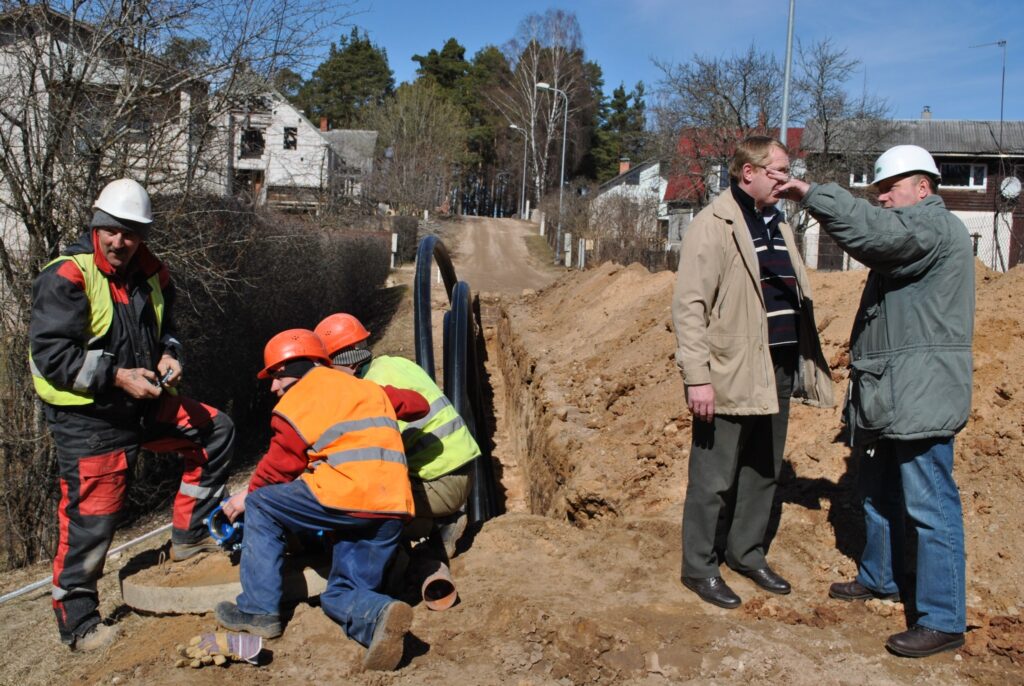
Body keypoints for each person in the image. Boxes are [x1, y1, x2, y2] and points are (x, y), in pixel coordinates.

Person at [771, 144, 974, 658]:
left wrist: (814, 194)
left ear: (923, 188)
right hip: (892, 391)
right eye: (878, 189)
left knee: (931, 504)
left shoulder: (931, 227)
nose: (882, 197)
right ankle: (880, 577)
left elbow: (873, 236)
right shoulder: (911, 233)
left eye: (890, 188)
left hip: (921, 391)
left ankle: (944, 618)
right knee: (877, 491)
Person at [29, 178, 235, 651]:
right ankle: (78, 622)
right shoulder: (68, 275)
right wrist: (118, 376)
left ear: (143, 235)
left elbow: (171, 332)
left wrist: (170, 354)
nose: (120, 241)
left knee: (215, 430)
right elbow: (53, 358)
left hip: (142, 401)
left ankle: (190, 534)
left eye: (131, 232)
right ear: (95, 225)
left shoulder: (154, 275)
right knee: (93, 517)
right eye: (112, 230)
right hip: (90, 418)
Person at [672, 136, 834, 609]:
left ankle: (746, 552)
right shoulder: (714, 224)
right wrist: (697, 376)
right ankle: (699, 566)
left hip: (776, 366)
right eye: (780, 171)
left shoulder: (778, 223)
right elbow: (689, 306)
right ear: (749, 173)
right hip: (727, 371)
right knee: (714, 475)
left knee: (763, 468)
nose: (786, 179)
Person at [215, 329, 428, 671]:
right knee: (340, 591)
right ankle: (378, 614)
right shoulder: (368, 388)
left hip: (345, 497)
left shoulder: (296, 403)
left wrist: (245, 497)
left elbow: (277, 469)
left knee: (262, 504)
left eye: (276, 375)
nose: (273, 387)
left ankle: (257, 611)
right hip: (392, 509)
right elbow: (419, 404)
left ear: (297, 368)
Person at [314, 313, 480, 558]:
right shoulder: (392, 364)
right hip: (458, 472)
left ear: (348, 361)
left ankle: (435, 526)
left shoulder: (371, 390)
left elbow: (374, 461)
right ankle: (437, 520)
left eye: (328, 367)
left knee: (360, 512)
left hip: (440, 484)